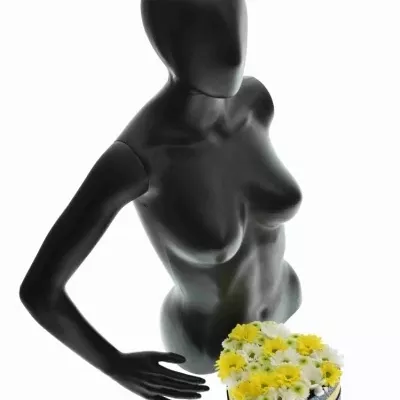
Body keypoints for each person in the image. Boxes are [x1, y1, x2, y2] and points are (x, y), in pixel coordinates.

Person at [19, 0, 303, 399]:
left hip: (285, 302)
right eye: (206, 34)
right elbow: (39, 290)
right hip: (207, 346)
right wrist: (112, 363)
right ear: (167, 42)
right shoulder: (136, 159)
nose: (229, 50)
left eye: (232, 21)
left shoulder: (255, 101)